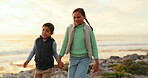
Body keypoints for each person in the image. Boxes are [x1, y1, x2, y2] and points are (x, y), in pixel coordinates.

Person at [58, 8, 99, 78]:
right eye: (74, 17)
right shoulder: (69, 29)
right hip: (73, 58)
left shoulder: (88, 29)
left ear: (84, 17)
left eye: (78, 17)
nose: (76, 19)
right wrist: (59, 58)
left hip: (84, 58)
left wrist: (96, 61)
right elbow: (65, 44)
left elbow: (94, 45)